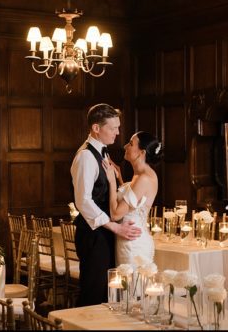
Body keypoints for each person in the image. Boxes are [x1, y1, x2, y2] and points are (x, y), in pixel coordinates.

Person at [71, 103, 142, 307]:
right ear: (96, 128)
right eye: (113, 128)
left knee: (106, 293)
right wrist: (115, 227)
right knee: (92, 294)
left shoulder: (102, 152)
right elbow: (83, 200)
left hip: (104, 234)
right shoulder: (85, 156)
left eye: (118, 127)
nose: (118, 133)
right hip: (93, 235)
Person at [102, 131, 163, 266]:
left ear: (142, 153)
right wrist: (119, 177)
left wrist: (112, 182)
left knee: (132, 285)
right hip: (128, 239)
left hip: (133, 243)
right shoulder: (140, 174)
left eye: (130, 144)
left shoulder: (144, 178)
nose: (125, 146)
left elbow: (116, 214)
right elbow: (133, 201)